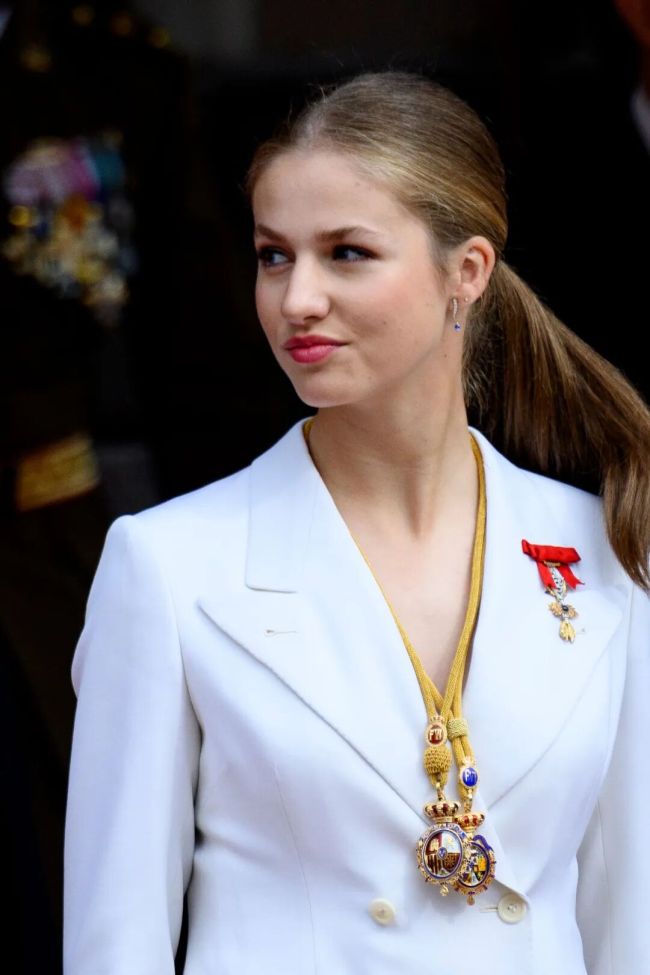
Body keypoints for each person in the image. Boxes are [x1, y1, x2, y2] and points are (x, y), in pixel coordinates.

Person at [63, 71, 650, 975]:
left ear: (468, 273)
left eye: (346, 252)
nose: (297, 298)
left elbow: (629, 919)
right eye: (273, 255)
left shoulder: (600, 550)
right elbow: (115, 943)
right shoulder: (170, 566)